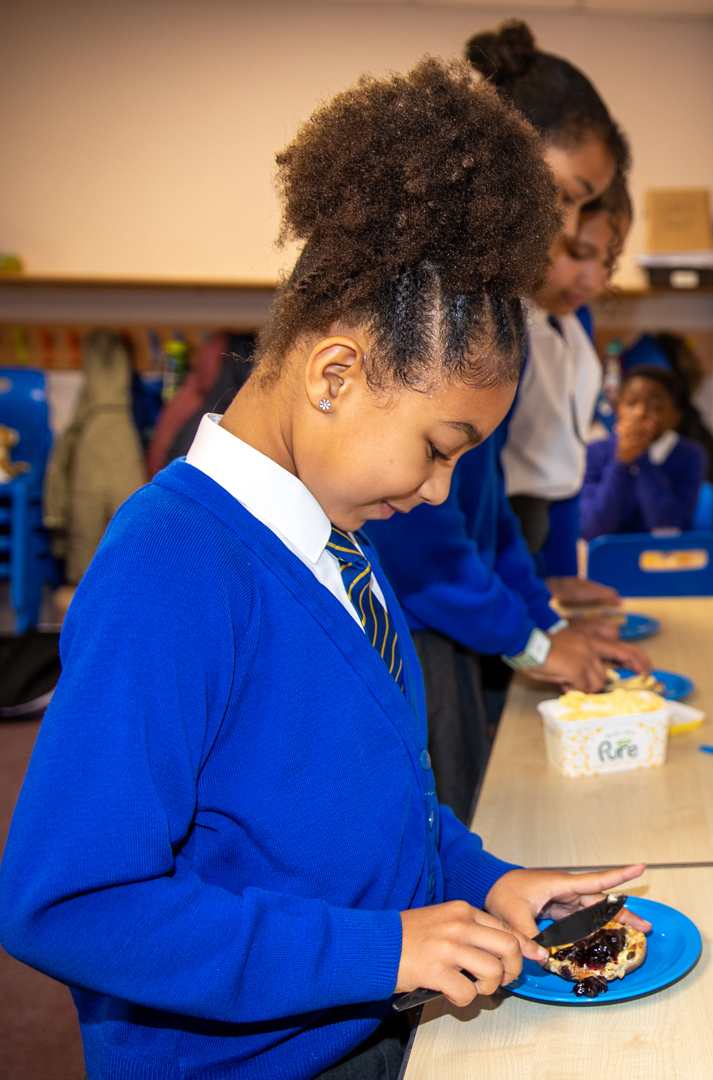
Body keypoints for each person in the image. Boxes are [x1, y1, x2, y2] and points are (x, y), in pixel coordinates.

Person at [0, 59, 649, 1080]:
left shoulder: (343, 543)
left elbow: (381, 803)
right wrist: (382, 950)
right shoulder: (168, 569)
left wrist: (487, 878)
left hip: (364, 1022)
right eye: (436, 448)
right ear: (335, 373)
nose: (437, 493)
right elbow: (72, 902)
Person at [366, 20, 647, 821]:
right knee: (436, 820)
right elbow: (421, 533)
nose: (568, 230)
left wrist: (544, 624)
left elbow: (483, 515)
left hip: (443, 606)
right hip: (399, 614)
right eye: (565, 197)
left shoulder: (489, 300)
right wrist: (530, 639)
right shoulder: (429, 295)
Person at [505, 174, 632, 596]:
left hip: (547, 523)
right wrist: (531, 600)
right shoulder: (507, 323)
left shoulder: (576, 318)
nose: (595, 281)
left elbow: (566, 458)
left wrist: (562, 576)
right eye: (579, 253)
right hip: (502, 531)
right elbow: (482, 487)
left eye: (609, 263)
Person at [581, 363, 709, 538]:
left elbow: (670, 528)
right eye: (631, 403)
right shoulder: (594, 452)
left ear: (675, 417)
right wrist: (621, 462)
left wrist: (641, 457)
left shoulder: (690, 456)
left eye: (655, 407)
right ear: (618, 408)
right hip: (609, 554)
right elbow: (592, 530)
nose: (640, 413)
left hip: (663, 554)